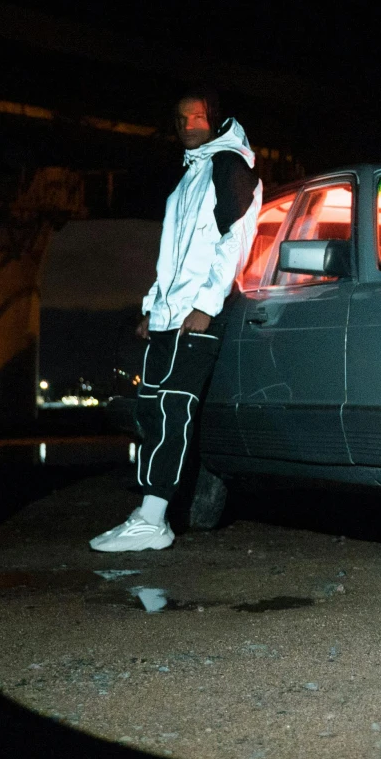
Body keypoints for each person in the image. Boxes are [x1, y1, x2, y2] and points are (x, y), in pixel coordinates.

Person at [89, 90, 260, 553]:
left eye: (197, 117)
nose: (187, 125)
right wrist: (152, 307)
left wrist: (208, 303)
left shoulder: (229, 166)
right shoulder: (193, 173)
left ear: (216, 119)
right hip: (169, 317)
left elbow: (236, 238)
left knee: (172, 413)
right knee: (152, 410)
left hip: (197, 318)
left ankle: (153, 518)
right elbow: (173, 254)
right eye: (181, 118)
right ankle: (149, 514)